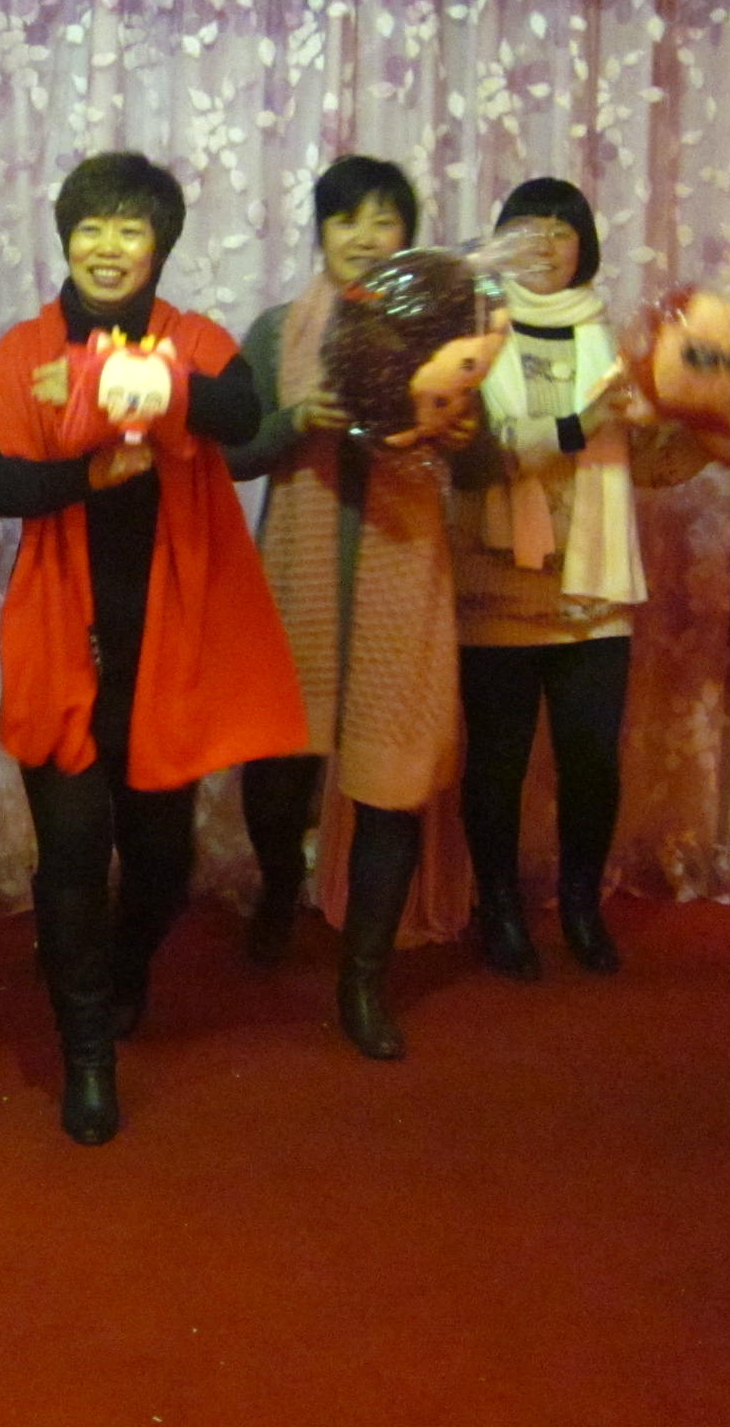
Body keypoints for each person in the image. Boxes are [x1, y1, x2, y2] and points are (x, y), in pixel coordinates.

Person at [0, 152, 307, 1143]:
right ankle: (88, 1055)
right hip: (60, 635)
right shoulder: (20, 350)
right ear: (65, 239)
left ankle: (121, 967)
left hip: (170, 644)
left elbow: (241, 415)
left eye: (129, 228)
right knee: (74, 849)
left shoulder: (195, 341)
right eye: (90, 227)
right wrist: (87, 479)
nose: (107, 246)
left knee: (162, 858)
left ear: (160, 245)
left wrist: (124, 379)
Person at [227, 156, 468, 1059]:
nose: (365, 238)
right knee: (278, 768)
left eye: (384, 220)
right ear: (321, 234)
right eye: (346, 221)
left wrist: (463, 431)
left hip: (405, 575)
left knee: (390, 780)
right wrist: (299, 420)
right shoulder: (278, 330)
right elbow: (232, 452)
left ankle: (363, 980)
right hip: (295, 577)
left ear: (408, 234)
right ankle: (277, 885)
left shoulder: (444, 327)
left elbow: (479, 463)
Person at [449, 177, 705, 981]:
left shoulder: (616, 340)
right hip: (497, 583)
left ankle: (583, 906)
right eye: (529, 231)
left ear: (584, 247)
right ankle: (499, 909)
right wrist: (582, 421)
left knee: (592, 761)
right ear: (502, 244)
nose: (547, 247)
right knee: (497, 761)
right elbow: (478, 456)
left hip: (594, 588)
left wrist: (709, 427)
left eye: (562, 232)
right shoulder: (471, 332)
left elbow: (649, 465)